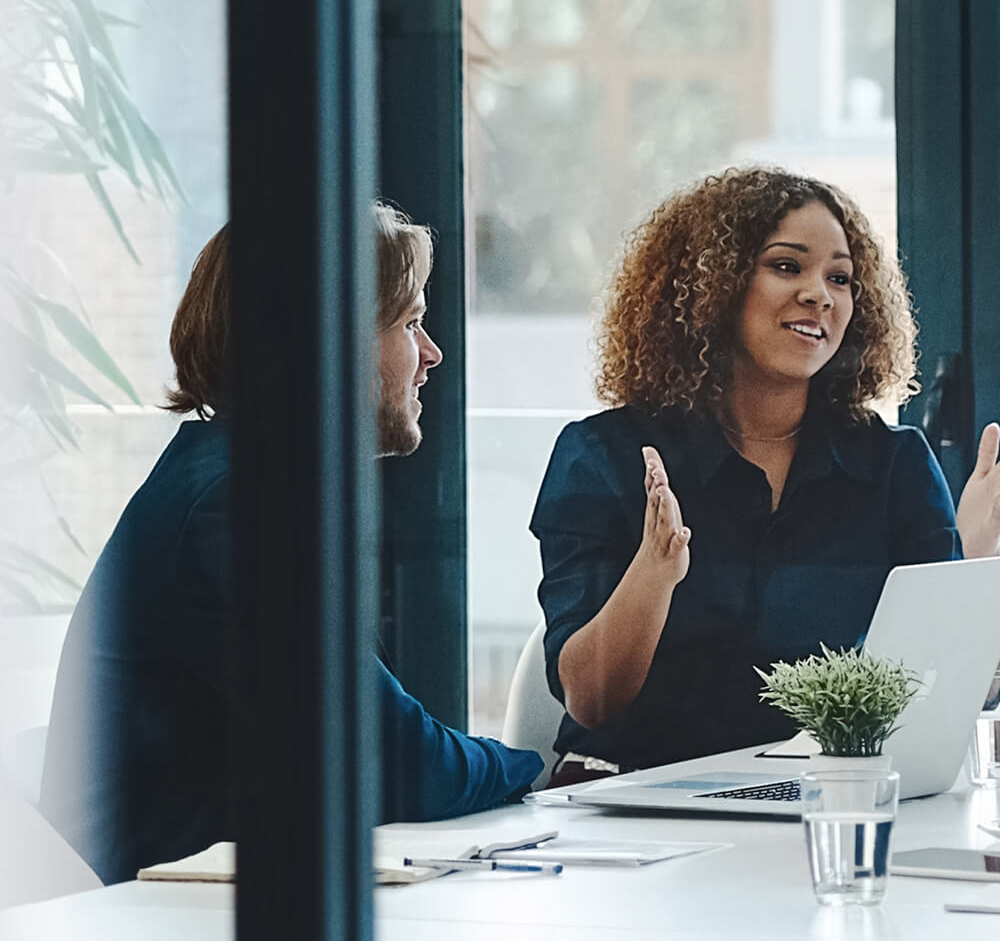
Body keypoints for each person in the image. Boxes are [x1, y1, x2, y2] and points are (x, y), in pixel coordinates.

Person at [40, 205, 542, 885]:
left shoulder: (234, 481)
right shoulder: (233, 507)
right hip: (153, 915)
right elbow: (394, 761)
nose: (431, 356)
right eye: (409, 324)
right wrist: (533, 763)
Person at [529, 166, 1000, 787]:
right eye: (786, 266)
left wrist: (979, 575)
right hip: (628, 798)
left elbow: (947, 698)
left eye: (839, 278)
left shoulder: (895, 466)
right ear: (712, 287)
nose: (819, 295)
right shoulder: (604, 456)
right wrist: (655, 572)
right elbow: (591, 700)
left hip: (815, 797)